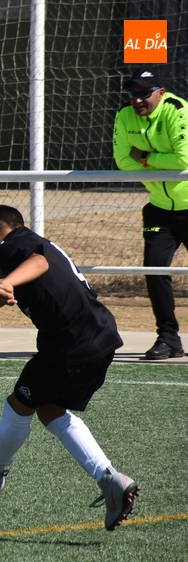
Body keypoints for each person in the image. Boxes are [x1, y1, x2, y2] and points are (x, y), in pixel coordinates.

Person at [0, 205, 139, 532]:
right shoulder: (30, 240)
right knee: (50, 409)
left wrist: (7, 283)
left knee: (19, 404)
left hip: (69, 344)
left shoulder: (9, 246)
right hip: (101, 339)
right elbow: (35, 267)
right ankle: (110, 480)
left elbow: (37, 263)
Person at [113, 66, 188, 360]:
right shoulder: (124, 116)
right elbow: (122, 163)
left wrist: (145, 157)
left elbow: (184, 158)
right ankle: (169, 339)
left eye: (144, 93)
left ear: (160, 93)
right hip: (159, 208)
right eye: (132, 93)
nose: (137, 100)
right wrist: (155, 164)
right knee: (155, 271)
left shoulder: (178, 110)